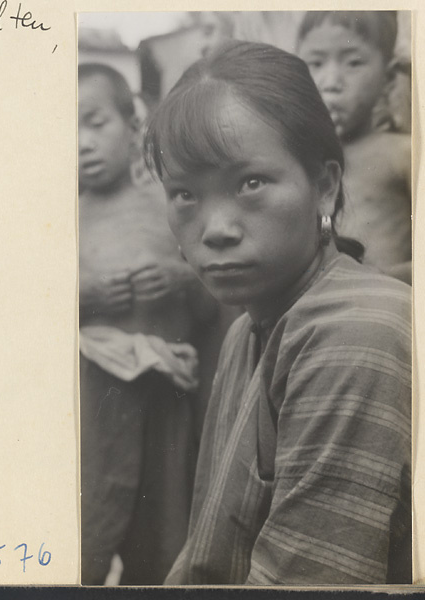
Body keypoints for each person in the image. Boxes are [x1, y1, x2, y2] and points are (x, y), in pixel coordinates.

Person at [144, 40, 411, 585]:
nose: (217, 229)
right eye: (186, 195)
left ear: (325, 185)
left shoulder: (357, 332)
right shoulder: (249, 326)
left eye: (251, 183)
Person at [79, 63, 210, 585]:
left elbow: (211, 306)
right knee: (88, 524)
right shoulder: (61, 214)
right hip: (95, 402)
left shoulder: (167, 206)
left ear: (133, 127)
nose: (80, 143)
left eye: (94, 122)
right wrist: (84, 295)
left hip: (165, 395)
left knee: (162, 538)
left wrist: (180, 279)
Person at [297, 11, 411, 284]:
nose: (331, 82)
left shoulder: (401, 154)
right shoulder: (299, 162)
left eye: (353, 63)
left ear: (389, 77)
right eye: (315, 63)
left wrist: (378, 281)